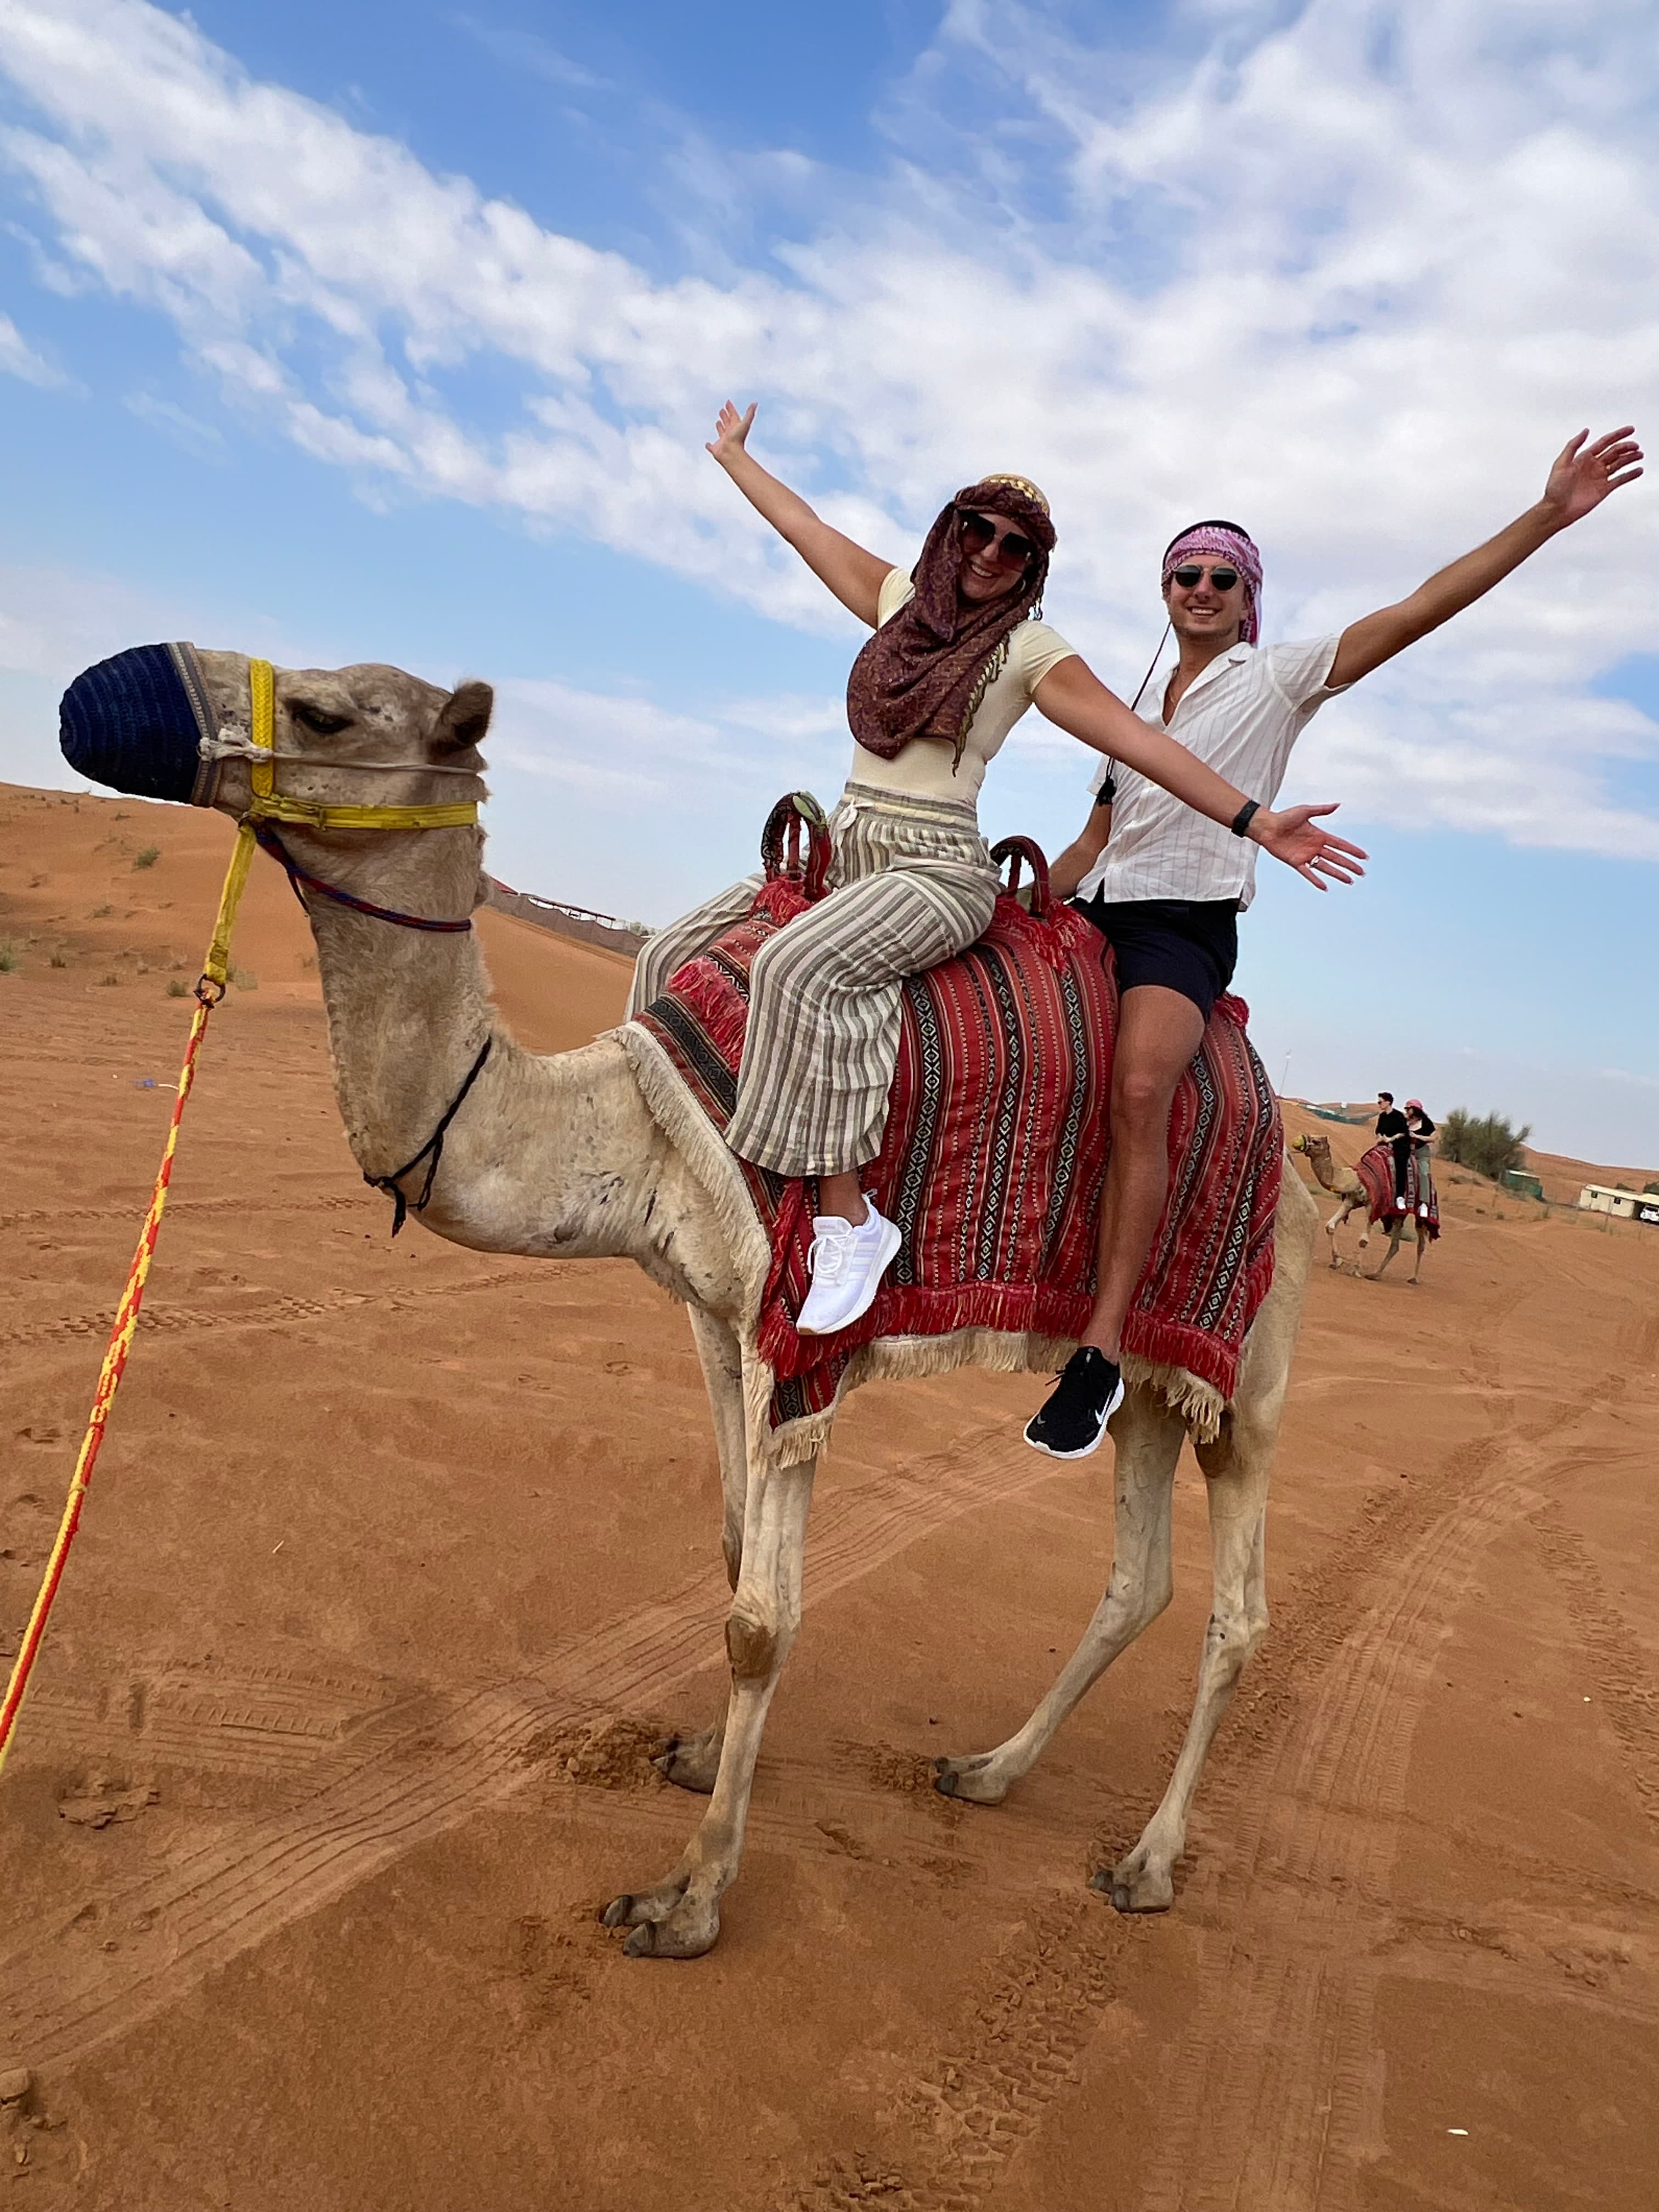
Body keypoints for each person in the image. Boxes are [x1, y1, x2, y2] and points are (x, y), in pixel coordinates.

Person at [629, 402, 1361, 1337]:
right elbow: (804, 527)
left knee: (794, 967)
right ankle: (679, 1161)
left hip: (935, 866)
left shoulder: (1028, 650)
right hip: (852, 851)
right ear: (950, 530)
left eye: (1014, 547)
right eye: (976, 529)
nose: (988, 552)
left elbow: (1136, 739)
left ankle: (849, 1223)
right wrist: (735, 458)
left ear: (1031, 568)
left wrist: (1254, 821)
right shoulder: (900, 605)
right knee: (674, 948)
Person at [1026, 424, 1643, 1459]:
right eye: (1184, 572)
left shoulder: (1275, 679)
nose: (1200, 588)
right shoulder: (1129, 701)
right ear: (1163, 586)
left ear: (1246, 593)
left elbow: (1411, 612)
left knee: (1138, 1089)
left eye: (1221, 575)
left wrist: (1543, 516)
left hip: (1182, 926)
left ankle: (1096, 1351)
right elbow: (1094, 832)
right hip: (1096, 903)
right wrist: (1025, 898)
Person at [1375, 1091, 1412, 1212]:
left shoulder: (1399, 1116)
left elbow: (1403, 1133)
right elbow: (1378, 1131)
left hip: (1400, 1145)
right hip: (1384, 1143)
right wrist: (1381, 1138)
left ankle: (1400, 1197)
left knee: (1400, 1166)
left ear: (1388, 1102)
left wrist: (1391, 1139)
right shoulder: (1382, 1116)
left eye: (1380, 1102)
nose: (1379, 1104)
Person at [1404, 1099, 1437, 1216]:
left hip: (1421, 1153)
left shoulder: (1426, 1123)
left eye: (1409, 1109)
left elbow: (1433, 1138)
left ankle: (1424, 1203)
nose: (1407, 1111)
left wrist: (1418, 1137)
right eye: (1406, 1109)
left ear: (1415, 1110)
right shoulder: (1405, 1123)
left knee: (1423, 1173)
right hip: (1406, 1152)